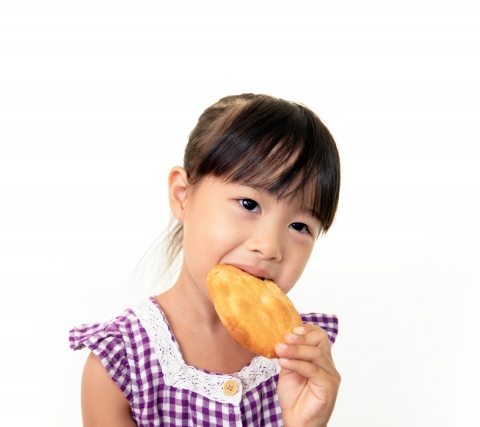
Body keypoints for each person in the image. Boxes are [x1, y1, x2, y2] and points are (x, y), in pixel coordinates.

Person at [69, 93, 342, 427]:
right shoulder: (120, 364)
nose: (270, 246)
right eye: (249, 204)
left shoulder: (299, 360)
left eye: (299, 226)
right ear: (182, 195)